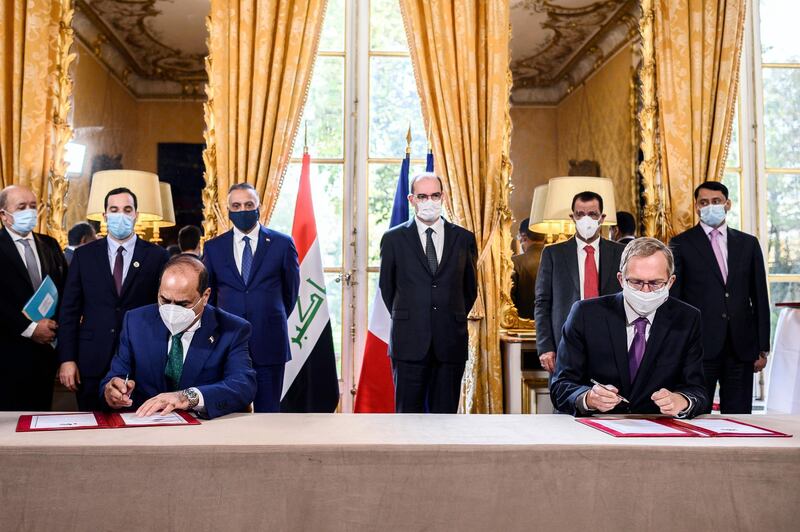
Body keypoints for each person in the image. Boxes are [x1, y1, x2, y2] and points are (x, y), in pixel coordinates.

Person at [551, 237, 708, 417]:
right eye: (636, 282)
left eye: (656, 283)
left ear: (670, 282)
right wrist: (588, 398)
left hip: (657, 429)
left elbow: (698, 391)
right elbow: (560, 386)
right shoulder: (585, 314)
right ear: (621, 279)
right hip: (597, 428)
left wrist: (682, 400)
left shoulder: (687, 319)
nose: (645, 291)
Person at [101, 255, 256, 419]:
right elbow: (114, 377)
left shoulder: (232, 329)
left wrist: (186, 397)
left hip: (202, 430)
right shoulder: (135, 321)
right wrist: (112, 392)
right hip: (144, 425)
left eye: (183, 304)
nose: (171, 310)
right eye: (165, 300)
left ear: (205, 296)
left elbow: (243, 386)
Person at [57, 187, 170, 411]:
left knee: (137, 431)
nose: (121, 215)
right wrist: (67, 359)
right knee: (90, 430)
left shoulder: (157, 256)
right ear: (104, 216)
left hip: (140, 362)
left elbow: (164, 310)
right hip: (91, 361)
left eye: (127, 209)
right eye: (114, 209)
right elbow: (69, 311)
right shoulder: (84, 255)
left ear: (136, 214)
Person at [379, 172, 478, 413]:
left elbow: (469, 289)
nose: (429, 201)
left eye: (434, 195)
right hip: (409, 341)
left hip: (450, 341)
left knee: (444, 418)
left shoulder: (464, 238)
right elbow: (387, 288)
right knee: (407, 417)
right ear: (412, 199)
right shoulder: (393, 239)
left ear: (443, 197)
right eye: (422, 196)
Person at [670, 181, 770, 414]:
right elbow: (675, 300)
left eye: (716, 201)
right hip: (699, 346)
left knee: (740, 416)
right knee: (696, 413)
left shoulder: (748, 243)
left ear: (728, 204)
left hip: (741, 346)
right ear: (696, 207)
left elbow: (759, 296)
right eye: (704, 202)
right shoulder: (682, 243)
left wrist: (762, 346)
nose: (710, 206)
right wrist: (677, 345)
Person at [203, 183, 299, 412]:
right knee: (230, 414)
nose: (243, 210)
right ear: (228, 210)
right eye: (236, 206)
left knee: (269, 413)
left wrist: (267, 314)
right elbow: (210, 296)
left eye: (248, 205)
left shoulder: (282, 244)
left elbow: (290, 293)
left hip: (270, 340)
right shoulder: (213, 248)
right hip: (228, 343)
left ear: (259, 207)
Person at [534, 191, 625, 374]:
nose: (586, 219)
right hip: (566, 342)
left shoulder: (621, 253)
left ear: (602, 218)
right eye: (580, 214)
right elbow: (542, 303)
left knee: (610, 399)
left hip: (610, 342)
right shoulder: (553, 254)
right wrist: (545, 347)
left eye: (592, 214)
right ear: (572, 217)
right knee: (566, 398)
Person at [0, 185, 68, 410]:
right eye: (21, 207)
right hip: (9, 354)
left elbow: (64, 288)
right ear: (4, 215)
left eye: (32, 206)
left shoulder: (49, 244)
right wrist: (30, 328)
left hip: (46, 352)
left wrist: (53, 328)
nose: (29, 212)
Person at [511, 218, 545, 320]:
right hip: (551, 325)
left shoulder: (514, 262)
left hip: (521, 325)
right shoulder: (557, 259)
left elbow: (509, 300)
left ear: (523, 237)